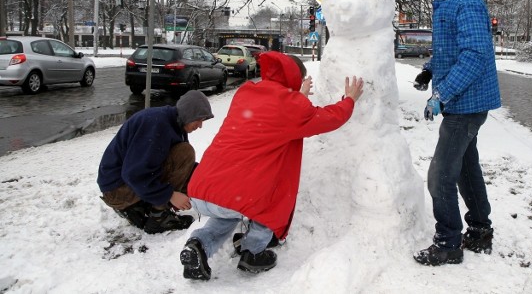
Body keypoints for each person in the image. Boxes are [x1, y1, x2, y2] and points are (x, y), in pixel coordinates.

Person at [179, 52, 364, 280]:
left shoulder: (246, 93)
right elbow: (328, 118)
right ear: (295, 78)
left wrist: (297, 96)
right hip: (236, 194)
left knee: (227, 211)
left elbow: (275, 112)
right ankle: (253, 253)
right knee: (274, 200)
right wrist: (349, 100)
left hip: (202, 188)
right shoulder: (291, 106)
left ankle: (198, 245)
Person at [412, 0, 501, 266]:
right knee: (465, 167)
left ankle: (448, 242)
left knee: (440, 176)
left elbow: (475, 56)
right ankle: (479, 230)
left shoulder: (466, 3)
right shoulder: (446, 1)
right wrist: (429, 72)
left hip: (467, 103)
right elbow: (450, 50)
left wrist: (442, 94)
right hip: (463, 101)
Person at [97, 90, 213, 234]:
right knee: (185, 152)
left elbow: (181, 167)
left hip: (125, 184)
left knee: (187, 166)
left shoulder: (175, 124)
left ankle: (142, 205)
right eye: (199, 119)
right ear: (189, 113)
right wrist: (170, 195)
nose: (200, 125)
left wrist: (208, 177)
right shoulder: (156, 124)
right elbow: (134, 174)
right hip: (117, 190)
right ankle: (159, 216)